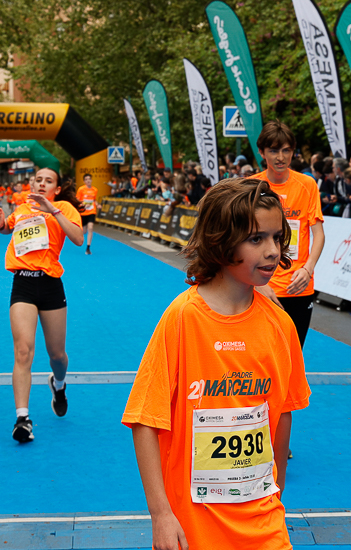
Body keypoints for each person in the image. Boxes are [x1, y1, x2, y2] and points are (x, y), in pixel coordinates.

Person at [123, 177, 310, 550]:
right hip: (195, 523)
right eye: (256, 239)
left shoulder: (280, 324)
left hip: (264, 521)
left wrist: (277, 491)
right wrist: (161, 515)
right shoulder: (183, 318)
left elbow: (283, 413)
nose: (272, 251)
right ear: (221, 241)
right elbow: (144, 419)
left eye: (277, 237)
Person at [0, 167, 83, 443]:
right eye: (38, 180)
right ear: (32, 184)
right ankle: (23, 419)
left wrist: (52, 210)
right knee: (23, 351)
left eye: (48, 181)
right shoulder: (21, 208)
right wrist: (0, 224)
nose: (42, 184)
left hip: (51, 285)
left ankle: (59, 385)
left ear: (56, 188)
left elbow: (78, 239)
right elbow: (8, 227)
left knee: (57, 355)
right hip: (23, 284)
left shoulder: (64, 208)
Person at [250, 121, 325, 349]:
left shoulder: (307, 185)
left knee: (293, 355)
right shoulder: (250, 186)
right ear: (262, 152)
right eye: (274, 150)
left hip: (298, 287)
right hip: (260, 287)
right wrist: (254, 283)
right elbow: (239, 239)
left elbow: (319, 234)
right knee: (260, 355)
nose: (280, 157)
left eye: (286, 150)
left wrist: (307, 269)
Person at [76, 174, 99, 255]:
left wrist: (97, 204)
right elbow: (77, 200)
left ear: (91, 180)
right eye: (86, 179)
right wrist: (84, 205)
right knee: (84, 231)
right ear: (84, 181)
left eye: (89, 179)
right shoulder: (81, 189)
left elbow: (94, 200)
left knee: (91, 228)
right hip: (83, 212)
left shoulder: (95, 190)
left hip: (92, 211)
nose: (88, 180)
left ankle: (88, 247)